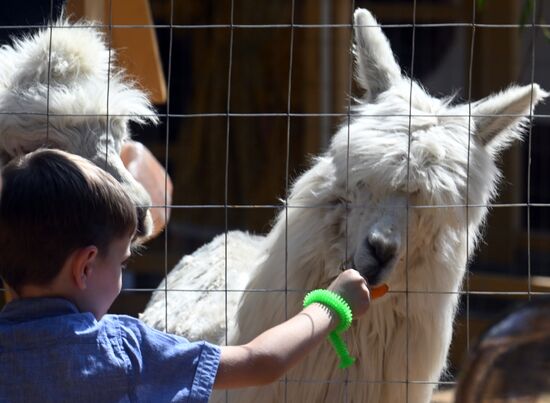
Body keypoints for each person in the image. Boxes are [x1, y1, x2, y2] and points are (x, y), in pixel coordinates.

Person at [0, 149, 372, 402]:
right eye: (123, 263)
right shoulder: (122, 348)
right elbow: (260, 362)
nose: (121, 274)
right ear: (85, 267)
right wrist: (331, 305)